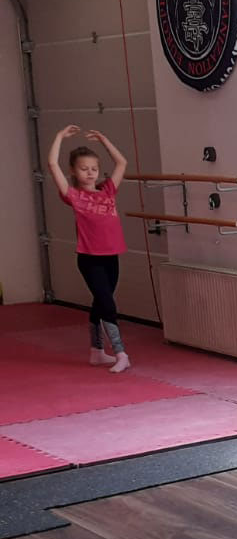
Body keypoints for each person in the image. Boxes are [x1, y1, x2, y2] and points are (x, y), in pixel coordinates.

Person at [47, 125, 130, 373]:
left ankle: (97, 352)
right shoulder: (73, 195)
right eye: (84, 169)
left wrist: (104, 140)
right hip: (90, 258)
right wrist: (59, 137)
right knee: (108, 304)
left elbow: (122, 163)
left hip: (111, 256)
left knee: (100, 302)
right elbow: (52, 164)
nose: (90, 173)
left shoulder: (108, 191)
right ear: (74, 171)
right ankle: (121, 353)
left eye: (94, 168)